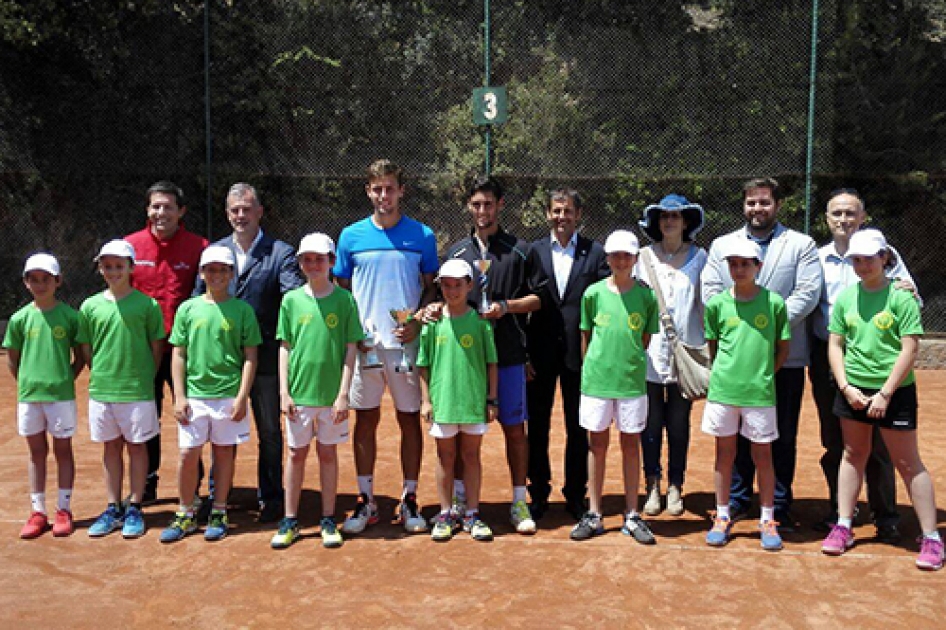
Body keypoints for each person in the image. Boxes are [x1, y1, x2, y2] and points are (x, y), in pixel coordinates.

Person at [701, 177, 822, 531]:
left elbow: (808, 292)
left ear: (778, 205)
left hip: (784, 360)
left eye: (765, 202)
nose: (758, 209)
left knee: (779, 435)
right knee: (733, 441)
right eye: (752, 202)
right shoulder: (724, 245)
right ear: (744, 206)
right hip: (735, 364)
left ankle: (778, 505)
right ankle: (737, 501)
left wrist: (767, 323)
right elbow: (710, 290)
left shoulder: (801, 244)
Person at [822, 229, 942, 571]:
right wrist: (846, 387)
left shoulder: (901, 298)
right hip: (853, 390)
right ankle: (843, 525)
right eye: (856, 260)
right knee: (852, 453)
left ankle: (931, 537)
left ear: (885, 258)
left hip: (895, 392)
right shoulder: (846, 297)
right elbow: (835, 344)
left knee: (907, 463)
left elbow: (910, 347)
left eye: (869, 258)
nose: (862, 265)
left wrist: (885, 394)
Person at [334, 160, 438, 535]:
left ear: (401, 191)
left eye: (390, 188)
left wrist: (414, 321)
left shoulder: (422, 236)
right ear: (368, 191)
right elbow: (342, 291)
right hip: (364, 348)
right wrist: (353, 332)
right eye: (377, 189)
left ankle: (410, 500)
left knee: (409, 420)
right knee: (366, 420)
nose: (384, 195)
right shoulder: (350, 237)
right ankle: (367, 501)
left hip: (406, 347)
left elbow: (430, 286)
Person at [809, 188, 919, 540]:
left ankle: (885, 514)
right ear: (827, 219)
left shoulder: (886, 255)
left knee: (882, 447)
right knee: (835, 441)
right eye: (836, 213)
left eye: (850, 213)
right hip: (830, 358)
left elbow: (909, 297)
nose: (843, 219)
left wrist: (909, 291)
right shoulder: (817, 257)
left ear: (863, 217)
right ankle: (842, 513)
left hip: (877, 364)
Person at [195, 183, 305, 523]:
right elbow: (199, 298)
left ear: (260, 211)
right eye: (234, 210)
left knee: (270, 432)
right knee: (217, 432)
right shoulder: (215, 252)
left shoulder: (281, 253)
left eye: (246, 208)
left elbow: (292, 297)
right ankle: (217, 498)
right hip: (223, 363)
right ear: (228, 214)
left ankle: (271, 497)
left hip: (268, 359)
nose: (240, 215)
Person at [442, 175, 544, 534]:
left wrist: (504, 307)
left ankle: (519, 500)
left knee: (515, 430)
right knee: (460, 435)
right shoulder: (456, 254)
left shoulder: (520, 250)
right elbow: (443, 300)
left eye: (488, 204)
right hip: (466, 362)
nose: (482, 211)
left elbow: (537, 299)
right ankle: (458, 500)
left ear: (500, 205)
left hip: (510, 356)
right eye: (476, 204)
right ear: (469, 207)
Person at [160, 246, 260, 543]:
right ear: (201, 273)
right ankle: (186, 511)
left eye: (223, 270)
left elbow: (250, 356)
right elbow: (178, 354)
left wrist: (242, 396)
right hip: (195, 397)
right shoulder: (188, 309)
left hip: (228, 396)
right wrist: (180, 395)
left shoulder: (242, 310)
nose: (216, 275)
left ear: (231, 274)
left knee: (223, 452)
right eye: (210, 270)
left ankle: (219, 510)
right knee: (188, 453)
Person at [271, 233, 362, 550]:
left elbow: (351, 350)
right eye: (307, 259)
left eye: (319, 259)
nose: (313, 265)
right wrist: (284, 392)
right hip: (299, 396)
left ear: (332, 262)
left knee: (327, 454)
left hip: (330, 397)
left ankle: (327, 518)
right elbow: (285, 347)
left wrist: (343, 394)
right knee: (295, 455)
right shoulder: (291, 301)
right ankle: (291, 519)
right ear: (299, 263)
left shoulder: (345, 301)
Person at [570, 230, 658, 545]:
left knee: (631, 444)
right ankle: (594, 513)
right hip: (597, 382)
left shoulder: (646, 297)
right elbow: (586, 337)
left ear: (635, 259)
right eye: (615, 255)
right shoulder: (593, 294)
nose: (621, 260)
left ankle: (632, 514)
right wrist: (593, 369)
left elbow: (644, 339)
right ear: (607, 258)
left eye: (627, 255)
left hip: (631, 382)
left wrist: (626, 363)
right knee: (597, 445)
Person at [526, 188, 609, 522]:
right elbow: (524, 302)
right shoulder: (533, 252)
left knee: (579, 426)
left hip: (581, 355)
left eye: (568, 211)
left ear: (579, 214)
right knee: (538, 426)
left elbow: (608, 296)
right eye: (556, 211)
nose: (562, 217)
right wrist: (525, 354)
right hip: (540, 353)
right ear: (548, 214)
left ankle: (576, 494)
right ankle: (539, 493)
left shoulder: (596, 252)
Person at [701, 240, 790, 551]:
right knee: (724, 455)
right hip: (723, 391)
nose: (739, 269)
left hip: (760, 394)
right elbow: (713, 348)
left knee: (763, 456)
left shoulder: (775, 303)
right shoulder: (716, 305)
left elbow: (782, 349)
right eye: (733, 264)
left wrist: (763, 375)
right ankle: (722, 515)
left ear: (759, 267)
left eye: (745, 264)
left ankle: (767, 518)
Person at [126, 181, 208, 503]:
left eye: (168, 207)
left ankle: (195, 486)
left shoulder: (199, 247)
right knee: (147, 414)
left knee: (191, 412)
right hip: (142, 350)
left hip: (184, 351)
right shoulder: (129, 247)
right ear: (148, 210)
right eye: (155, 206)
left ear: (181, 211)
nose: (161, 213)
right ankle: (146, 482)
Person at [78, 239, 165, 538]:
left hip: (138, 391)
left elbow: (157, 347)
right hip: (103, 390)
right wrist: (102, 373)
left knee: (137, 448)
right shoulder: (89, 306)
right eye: (107, 266)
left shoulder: (147, 305)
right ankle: (113, 506)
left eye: (119, 265)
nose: (113, 271)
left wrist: (144, 377)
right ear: (100, 268)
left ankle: (135, 506)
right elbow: (87, 348)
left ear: (131, 267)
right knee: (110, 448)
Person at [636, 194, 708, 517]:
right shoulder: (642, 257)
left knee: (678, 424)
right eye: (664, 216)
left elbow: (707, 305)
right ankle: (652, 483)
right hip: (648, 355)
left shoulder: (702, 258)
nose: (669, 222)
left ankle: (676, 486)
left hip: (685, 357)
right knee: (649, 424)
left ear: (686, 221)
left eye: (676, 216)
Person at [418, 258, 499, 542]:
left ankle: (472, 513)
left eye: (458, 285)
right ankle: (445, 512)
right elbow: (423, 365)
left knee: (471, 456)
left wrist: (491, 400)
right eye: (447, 286)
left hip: (472, 402)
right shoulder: (432, 324)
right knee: (445, 456)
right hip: (443, 403)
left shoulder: (480, 324)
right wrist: (426, 401)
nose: (452, 291)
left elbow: (491, 363)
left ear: (469, 286)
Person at [4, 253, 83, 538]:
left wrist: (64, 379)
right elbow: (12, 358)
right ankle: (38, 512)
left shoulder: (71, 317)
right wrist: (27, 382)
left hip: (60, 397)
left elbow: (80, 358)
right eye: (33, 279)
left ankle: (64, 509)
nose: (40, 284)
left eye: (45, 279)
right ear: (26, 283)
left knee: (63, 451)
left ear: (58, 281)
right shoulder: (19, 318)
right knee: (36, 453)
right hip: (29, 398)